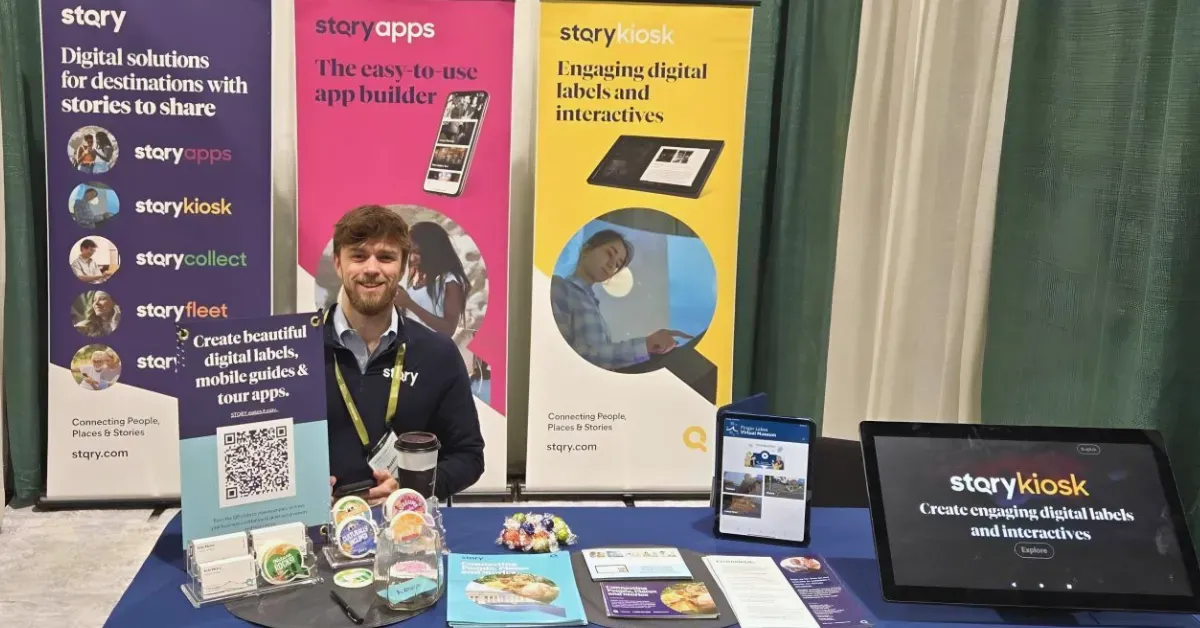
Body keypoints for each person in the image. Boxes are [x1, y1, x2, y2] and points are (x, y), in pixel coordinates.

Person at [325, 204, 484, 503]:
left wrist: (410, 491)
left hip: (407, 529)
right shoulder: (297, 351)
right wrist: (305, 494)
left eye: (385, 257)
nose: (372, 269)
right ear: (338, 263)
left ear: (403, 266)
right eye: (358, 256)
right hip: (318, 529)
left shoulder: (438, 353)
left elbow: (468, 456)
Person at [550, 229, 691, 370]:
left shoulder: (590, 300)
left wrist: (650, 346)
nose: (612, 265)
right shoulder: (559, 287)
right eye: (609, 253)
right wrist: (646, 345)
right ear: (587, 249)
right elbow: (586, 356)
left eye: (617, 264)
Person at [393, 221, 469, 338]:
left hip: (432, 351)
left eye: (417, 252)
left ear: (433, 250)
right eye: (410, 251)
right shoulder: (417, 276)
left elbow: (448, 330)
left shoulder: (451, 282)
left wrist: (410, 304)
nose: (411, 259)